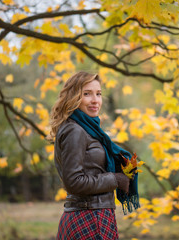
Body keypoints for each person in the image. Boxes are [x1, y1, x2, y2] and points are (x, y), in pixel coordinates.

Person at [47, 71, 139, 240]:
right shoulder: (75, 130)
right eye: (87, 94)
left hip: (95, 214)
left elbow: (91, 169)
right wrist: (116, 179)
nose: (95, 100)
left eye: (98, 94)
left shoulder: (88, 130)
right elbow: (73, 182)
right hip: (88, 218)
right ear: (74, 97)